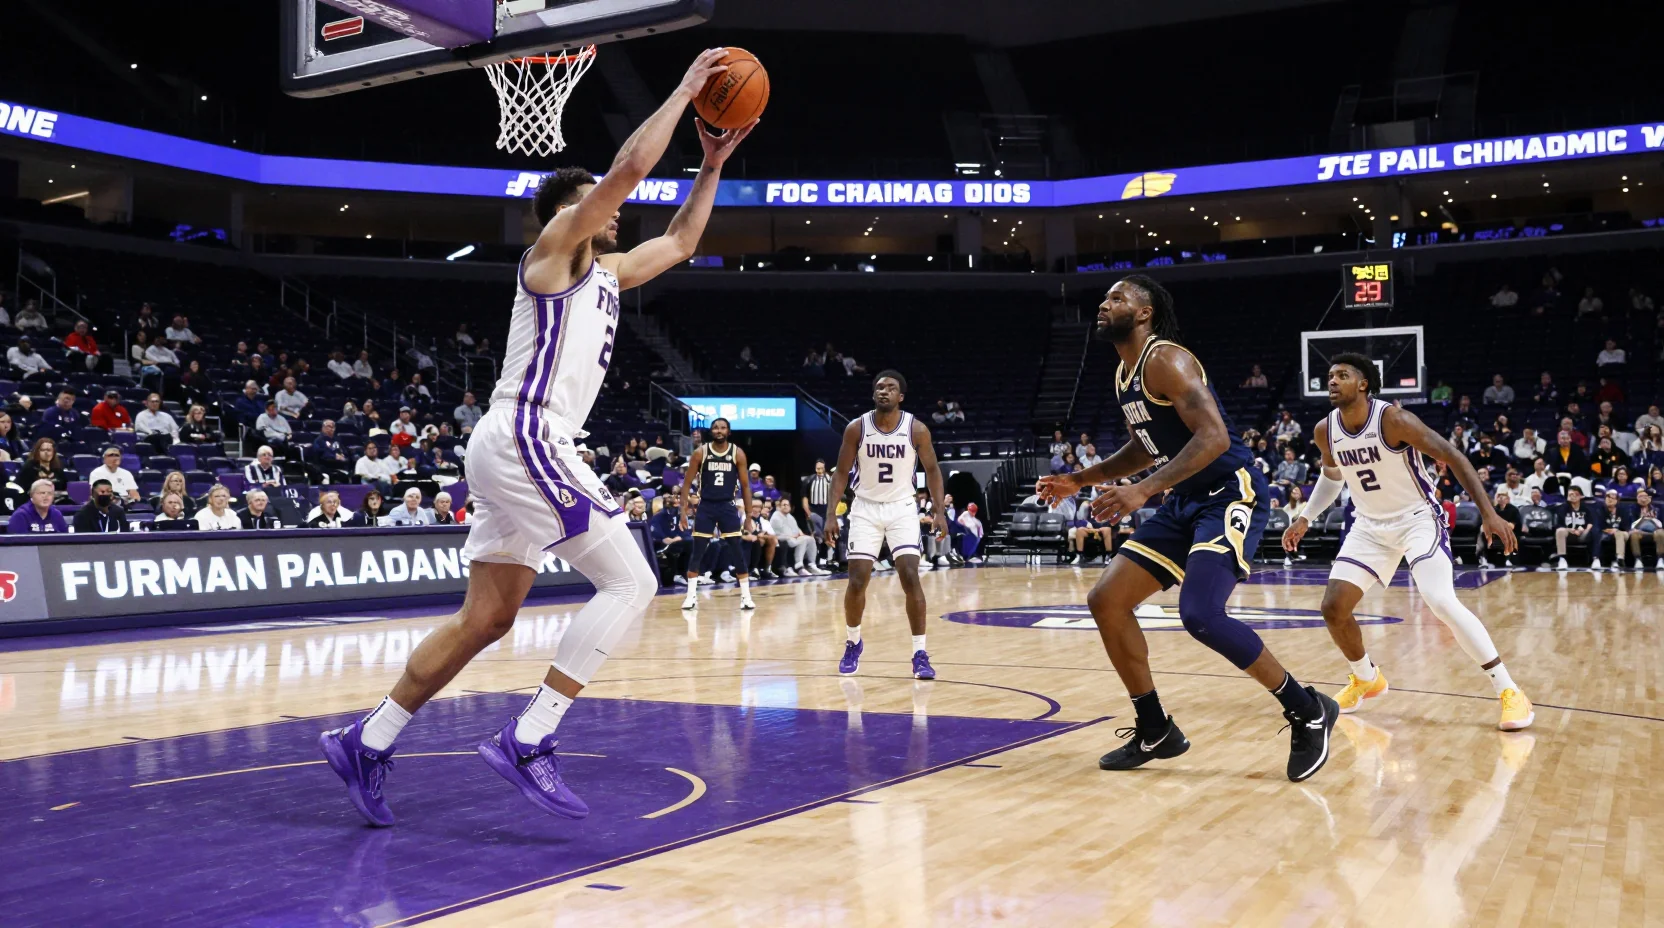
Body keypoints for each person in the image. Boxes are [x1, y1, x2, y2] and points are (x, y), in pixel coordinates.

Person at [318, 49, 755, 828]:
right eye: (599, 203)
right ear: (566, 214)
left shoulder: (610, 275)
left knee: (487, 618)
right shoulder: (551, 255)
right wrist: (686, 89)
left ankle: (367, 740)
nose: (614, 211)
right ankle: (530, 737)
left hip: (512, 444)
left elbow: (683, 241)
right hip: (528, 433)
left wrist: (712, 163)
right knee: (632, 583)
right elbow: (628, 169)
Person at [1036, 275, 1335, 781]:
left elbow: (1215, 437)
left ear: (1145, 312)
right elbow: (1144, 447)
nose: (1104, 305)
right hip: (1186, 499)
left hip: (1229, 491)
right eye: (1105, 298)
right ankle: (1156, 729)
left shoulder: (1166, 359)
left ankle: (1307, 709)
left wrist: (1143, 490)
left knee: (1200, 614)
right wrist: (1079, 479)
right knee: (1106, 601)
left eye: (1117, 298)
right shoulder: (1125, 374)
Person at [1283, 354, 1533, 727]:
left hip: (1418, 519)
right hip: (1369, 526)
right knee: (1333, 607)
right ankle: (1366, 678)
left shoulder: (1394, 420)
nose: (1332, 381)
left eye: (1342, 375)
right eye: (1330, 375)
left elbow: (1453, 456)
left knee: (1441, 601)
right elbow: (1332, 477)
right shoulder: (1325, 430)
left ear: (1363, 384)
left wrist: (1489, 513)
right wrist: (1305, 517)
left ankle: (1510, 690)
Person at [823, 370, 948, 681]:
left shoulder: (916, 429)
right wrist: (830, 514)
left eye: (891, 388)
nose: (884, 391)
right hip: (865, 507)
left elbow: (933, 470)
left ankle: (920, 653)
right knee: (857, 581)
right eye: (879, 387)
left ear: (900, 397)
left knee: (910, 576)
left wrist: (939, 511)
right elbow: (841, 472)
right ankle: (853, 642)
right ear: (873, 394)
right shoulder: (857, 428)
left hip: (902, 508)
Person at [679, 417, 757, 611]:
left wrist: (749, 516)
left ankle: (746, 597)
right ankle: (691, 596)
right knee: (697, 551)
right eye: (715, 427)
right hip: (706, 506)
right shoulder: (701, 452)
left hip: (727, 506)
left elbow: (745, 486)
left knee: (737, 551)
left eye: (722, 428)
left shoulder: (737, 453)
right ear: (711, 431)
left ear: (728, 431)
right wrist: (682, 511)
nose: (719, 430)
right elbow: (686, 484)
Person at [771, 498, 819, 575]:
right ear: (780, 506)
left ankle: (811, 565)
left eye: (787, 505)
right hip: (780, 538)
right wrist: (796, 536)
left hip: (791, 537)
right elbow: (782, 533)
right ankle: (799, 566)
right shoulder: (776, 516)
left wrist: (799, 535)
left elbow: (796, 530)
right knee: (803, 539)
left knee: (810, 539)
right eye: (784, 505)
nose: (786, 506)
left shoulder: (790, 516)